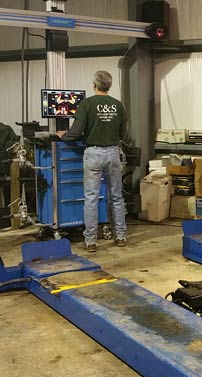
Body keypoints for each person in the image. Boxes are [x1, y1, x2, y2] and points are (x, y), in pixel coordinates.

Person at [57, 70, 127, 252]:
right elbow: (123, 133)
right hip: (113, 153)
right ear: (109, 86)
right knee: (117, 197)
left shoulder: (86, 104)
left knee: (91, 198)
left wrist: (63, 136)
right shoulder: (118, 105)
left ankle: (90, 241)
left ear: (94, 85)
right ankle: (120, 236)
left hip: (93, 153)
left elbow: (76, 131)